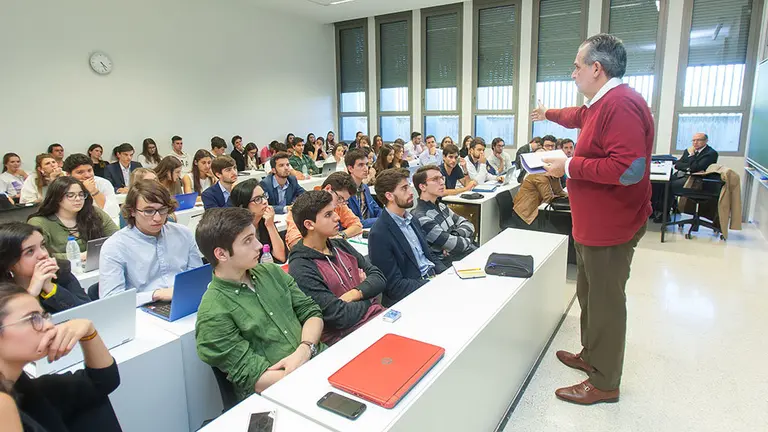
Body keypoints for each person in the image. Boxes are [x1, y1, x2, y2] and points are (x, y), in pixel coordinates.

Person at [531, 33, 653, 405]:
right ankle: (592, 355)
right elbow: (577, 116)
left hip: (610, 228)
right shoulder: (601, 104)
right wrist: (547, 114)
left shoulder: (622, 104)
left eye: (577, 67)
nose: (573, 74)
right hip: (593, 226)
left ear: (596, 69)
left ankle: (605, 381)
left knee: (605, 303)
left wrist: (569, 165)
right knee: (588, 294)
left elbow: (629, 169)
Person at [194, 207, 325, 400]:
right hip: (280, 392)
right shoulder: (213, 311)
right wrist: (306, 374)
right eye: (247, 241)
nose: (258, 245)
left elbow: (311, 312)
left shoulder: (271, 272)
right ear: (221, 254)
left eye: (254, 237)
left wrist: (305, 349)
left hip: (317, 360)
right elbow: (251, 375)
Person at [0, 283, 121, 431]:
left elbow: (103, 381)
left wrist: (89, 332)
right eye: (33, 319)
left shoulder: (21, 386)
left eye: (44, 316)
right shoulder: (3, 404)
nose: (49, 326)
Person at [288, 191, 386, 345]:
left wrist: (355, 293)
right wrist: (369, 295)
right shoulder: (301, 266)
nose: (337, 218)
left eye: (334, 211)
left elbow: (379, 277)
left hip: (376, 319)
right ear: (309, 224)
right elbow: (339, 317)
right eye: (328, 215)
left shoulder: (340, 244)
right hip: (346, 339)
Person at [100, 180, 203, 305]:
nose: (158, 218)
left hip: (184, 300)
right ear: (132, 211)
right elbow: (111, 299)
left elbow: (197, 278)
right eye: (149, 211)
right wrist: (156, 295)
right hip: (143, 308)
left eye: (163, 210)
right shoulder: (115, 246)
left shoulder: (183, 233)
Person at [368, 169, 446, 306]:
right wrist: (432, 284)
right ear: (389, 196)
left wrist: (446, 274)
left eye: (409, 186)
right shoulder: (379, 234)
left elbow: (429, 255)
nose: (411, 192)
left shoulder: (412, 219)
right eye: (404, 188)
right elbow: (394, 286)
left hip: (433, 280)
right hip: (412, 296)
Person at [0, 223, 90, 313]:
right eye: (30, 251)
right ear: (9, 263)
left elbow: (89, 311)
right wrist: (31, 293)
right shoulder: (3, 292)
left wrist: (50, 287)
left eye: (42, 245)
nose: (44, 254)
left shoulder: (60, 272)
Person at [28, 177, 119, 261]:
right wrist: (78, 257)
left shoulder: (94, 213)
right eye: (71, 195)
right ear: (57, 198)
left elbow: (117, 238)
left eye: (81, 194)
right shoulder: (39, 222)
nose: (78, 199)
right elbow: (38, 255)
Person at [412, 166, 477, 266]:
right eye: (435, 179)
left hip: (464, 254)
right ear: (422, 187)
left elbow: (469, 224)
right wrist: (469, 239)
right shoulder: (422, 217)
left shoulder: (441, 206)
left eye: (442, 178)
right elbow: (456, 245)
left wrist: (454, 235)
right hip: (451, 264)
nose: (442, 182)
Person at [284, 172, 362, 249]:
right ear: (328, 188)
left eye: (344, 201)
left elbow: (357, 225)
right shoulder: (302, 207)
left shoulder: (339, 204)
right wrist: (325, 242)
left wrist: (340, 235)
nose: (341, 204)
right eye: (340, 198)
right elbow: (294, 243)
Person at [229, 179, 287, 263]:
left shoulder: (265, 221)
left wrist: (270, 225)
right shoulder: (236, 231)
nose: (265, 202)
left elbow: (281, 257)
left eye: (264, 196)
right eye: (257, 199)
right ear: (243, 206)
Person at [512, 154, 569, 226]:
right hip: (525, 214)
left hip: (536, 210)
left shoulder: (554, 174)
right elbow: (549, 198)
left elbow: (559, 191)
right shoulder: (541, 177)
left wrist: (572, 197)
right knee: (559, 224)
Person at [63, 153, 120, 219]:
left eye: (89, 170)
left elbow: (113, 212)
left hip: (99, 221)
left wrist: (94, 191)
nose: (87, 175)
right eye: (80, 172)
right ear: (68, 174)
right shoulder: (63, 185)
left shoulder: (103, 183)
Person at [345, 149, 381, 228]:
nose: (366, 168)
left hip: (369, 227)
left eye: (366, 164)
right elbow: (354, 222)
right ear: (350, 168)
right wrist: (380, 220)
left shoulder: (365, 187)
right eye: (361, 165)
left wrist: (385, 217)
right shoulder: (345, 191)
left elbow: (376, 209)